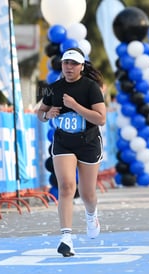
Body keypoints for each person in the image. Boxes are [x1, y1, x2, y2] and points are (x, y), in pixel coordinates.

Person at [37, 48, 106, 257]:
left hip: (88, 142)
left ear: (81, 66)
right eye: (66, 63)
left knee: (88, 194)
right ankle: (66, 238)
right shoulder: (53, 88)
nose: (69, 67)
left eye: (74, 63)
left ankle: (91, 214)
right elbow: (39, 113)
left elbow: (100, 119)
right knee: (66, 186)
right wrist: (47, 114)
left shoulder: (91, 87)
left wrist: (75, 106)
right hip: (63, 142)